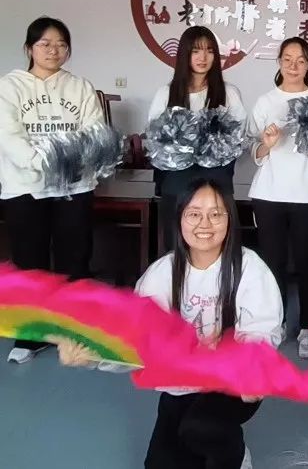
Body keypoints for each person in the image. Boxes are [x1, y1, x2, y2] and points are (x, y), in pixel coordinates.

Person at [59, 178, 283, 469]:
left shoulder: (250, 267)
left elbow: (260, 329)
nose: (205, 224)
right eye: (194, 214)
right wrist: (92, 355)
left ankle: (238, 458)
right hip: (182, 384)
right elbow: (137, 338)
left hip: (231, 382)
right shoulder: (161, 274)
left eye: (216, 214)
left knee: (202, 427)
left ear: (230, 220)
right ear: (179, 220)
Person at [0, 16, 104, 364]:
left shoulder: (80, 87)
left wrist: (68, 164)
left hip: (74, 186)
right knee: (30, 263)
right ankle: (31, 336)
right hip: (24, 187)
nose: (53, 50)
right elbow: (9, 136)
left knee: (75, 258)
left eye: (61, 44)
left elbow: (93, 131)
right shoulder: (9, 87)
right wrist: (41, 163)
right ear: (29, 48)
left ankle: (75, 331)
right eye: (45, 44)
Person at [247, 37, 308, 358]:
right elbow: (253, 148)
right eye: (287, 59)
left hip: (306, 195)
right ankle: (275, 323)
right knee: (272, 264)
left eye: (300, 60)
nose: (293, 65)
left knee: (306, 262)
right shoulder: (265, 102)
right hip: (268, 195)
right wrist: (267, 143)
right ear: (279, 62)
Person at [148, 26, 246, 256]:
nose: (203, 57)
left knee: (218, 248)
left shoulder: (229, 93)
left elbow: (239, 137)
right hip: (177, 182)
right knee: (177, 249)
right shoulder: (166, 93)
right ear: (185, 54)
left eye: (209, 51)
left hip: (216, 181)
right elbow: (155, 139)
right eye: (196, 51)